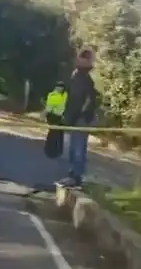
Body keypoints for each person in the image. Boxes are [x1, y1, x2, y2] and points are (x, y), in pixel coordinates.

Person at [57, 49, 100, 188]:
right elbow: (70, 97)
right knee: (72, 149)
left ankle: (76, 178)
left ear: (87, 61)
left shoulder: (86, 79)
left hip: (81, 119)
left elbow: (89, 101)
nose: (79, 60)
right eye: (79, 57)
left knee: (78, 149)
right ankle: (72, 176)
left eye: (83, 58)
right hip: (73, 117)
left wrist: (81, 115)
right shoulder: (75, 76)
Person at [43, 81, 68, 159]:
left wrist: (42, 116)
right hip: (60, 117)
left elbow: (48, 109)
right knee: (58, 135)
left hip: (54, 117)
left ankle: (51, 152)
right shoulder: (65, 95)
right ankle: (57, 152)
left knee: (53, 134)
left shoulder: (53, 95)